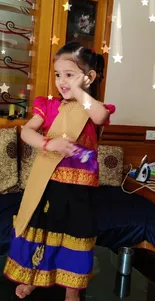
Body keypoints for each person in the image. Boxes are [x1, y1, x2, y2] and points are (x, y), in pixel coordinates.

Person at [4, 42, 115, 301]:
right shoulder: (50, 105)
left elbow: (99, 116)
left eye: (69, 74)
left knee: (76, 234)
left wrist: (79, 90)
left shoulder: (92, 107)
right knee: (41, 228)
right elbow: (27, 131)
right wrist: (47, 143)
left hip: (81, 188)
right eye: (57, 75)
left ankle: (72, 290)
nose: (61, 81)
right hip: (48, 182)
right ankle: (33, 278)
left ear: (89, 77)